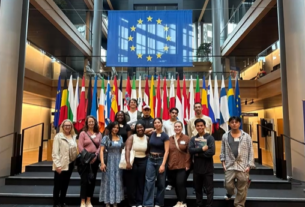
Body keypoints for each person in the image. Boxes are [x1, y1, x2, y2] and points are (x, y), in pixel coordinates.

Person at [220, 116, 255, 207]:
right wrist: (223, 163)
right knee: (228, 185)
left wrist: (249, 165)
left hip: (242, 165)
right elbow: (222, 150)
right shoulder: (225, 136)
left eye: (236, 122)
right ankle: (230, 192)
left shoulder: (246, 136)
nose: (234, 124)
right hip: (229, 165)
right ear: (229, 124)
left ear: (239, 123)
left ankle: (239, 204)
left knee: (242, 187)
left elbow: (251, 151)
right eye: (232, 122)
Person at [143, 118, 170, 207]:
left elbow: (167, 151)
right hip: (150, 159)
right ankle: (148, 203)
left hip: (160, 159)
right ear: (153, 124)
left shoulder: (165, 136)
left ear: (162, 124)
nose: (157, 124)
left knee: (161, 183)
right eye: (155, 123)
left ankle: (159, 203)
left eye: (159, 122)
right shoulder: (152, 134)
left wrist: (163, 164)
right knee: (149, 182)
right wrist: (152, 130)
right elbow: (142, 131)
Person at [189, 119, 215, 207]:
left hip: (208, 168)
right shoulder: (193, 139)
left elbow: (212, 152)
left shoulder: (210, 138)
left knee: (209, 189)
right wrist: (202, 150)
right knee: (197, 188)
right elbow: (190, 150)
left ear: (204, 126)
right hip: (197, 168)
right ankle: (198, 204)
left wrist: (197, 153)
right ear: (195, 127)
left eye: (201, 125)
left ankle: (209, 205)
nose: (200, 127)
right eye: (198, 125)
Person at [52, 119, 78, 207]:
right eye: (65, 125)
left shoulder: (73, 136)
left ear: (71, 127)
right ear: (62, 127)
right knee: (58, 185)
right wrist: (58, 166)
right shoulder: (58, 136)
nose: (67, 127)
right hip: (60, 164)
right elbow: (55, 153)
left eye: (69, 125)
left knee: (65, 184)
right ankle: (55, 203)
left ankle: (62, 202)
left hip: (70, 164)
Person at [78, 115, 102, 207]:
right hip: (85, 160)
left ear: (95, 123)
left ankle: (88, 200)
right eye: (89, 121)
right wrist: (87, 157)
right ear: (87, 123)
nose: (91, 123)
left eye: (92, 121)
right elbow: (80, 146)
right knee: (84, 181)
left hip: (94, 160)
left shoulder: (99, 133)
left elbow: (100, 146)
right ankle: (83, 201)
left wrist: (95, 156)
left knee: (92, 180)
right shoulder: (83, 133)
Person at [99, 122, 124, 207]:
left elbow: (122, 150)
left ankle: (115, 201)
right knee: (108, 180)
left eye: (117, 128)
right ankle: (107, 202)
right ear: (110, 128)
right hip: (108, 161)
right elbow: (101, 151)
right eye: (114, 127)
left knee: (117, 180)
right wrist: (102, 163)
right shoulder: (106, 138)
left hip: (118, 162)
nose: (116, 129)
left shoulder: (120, 138)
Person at [124, 121, 149, 207]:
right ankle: (132, 203)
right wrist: (127, 162)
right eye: (138, 128)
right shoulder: (132, 137)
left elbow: (148, 151)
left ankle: (139, 202)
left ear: (144, 128)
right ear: (135, 129)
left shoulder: (147, 138)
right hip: (132, 161)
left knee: (141, 182)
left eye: (141, 127)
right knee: (131, 183)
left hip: (143, 161)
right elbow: (127, 149)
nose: (140, 129)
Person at [167, 121, 191, 207]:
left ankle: (184, 202)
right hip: (172, 165)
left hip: (183, 165)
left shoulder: (187, 138)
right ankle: (179, 202)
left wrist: (188, 164)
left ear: (182, 128)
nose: (177, 128)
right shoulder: (170, 139)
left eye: (179, 126)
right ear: (174, 128)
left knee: (180, 183)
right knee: (176, 184)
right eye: (176, 126)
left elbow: (189, 152)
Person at [164, 108, 186, 191]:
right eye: (172, 112)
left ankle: (177, 182)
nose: (174, 114)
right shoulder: (165, 123)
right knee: (169, 165)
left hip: (179, 146)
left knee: (178, 164)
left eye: (175, 113)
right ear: (169, 113)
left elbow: (183, 134)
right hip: (169, 145)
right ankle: (170, 183)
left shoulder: (180, 123)